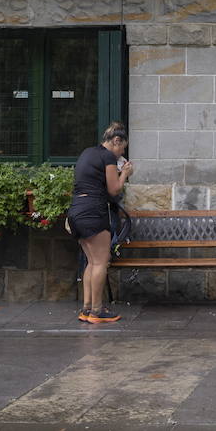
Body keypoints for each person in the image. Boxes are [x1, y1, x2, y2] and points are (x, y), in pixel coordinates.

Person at [67, 122, 134, 323]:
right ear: (116, 141)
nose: (122, 152)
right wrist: (125, 174)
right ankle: (97, 311)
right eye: (122, 148)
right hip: (93, 213)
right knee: (100, 263)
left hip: (76, 212)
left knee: (91, 262)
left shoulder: (88, 152)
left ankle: (87, 308)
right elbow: (114, 190)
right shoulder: (107, 156)